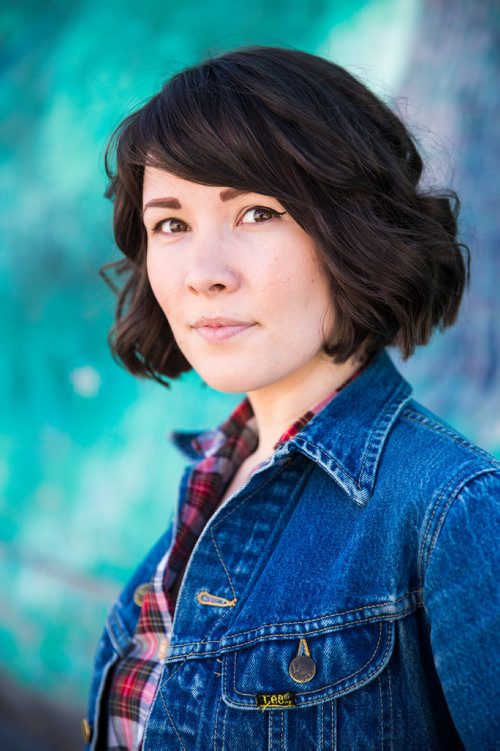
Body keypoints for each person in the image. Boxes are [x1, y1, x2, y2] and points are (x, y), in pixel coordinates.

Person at [84, 45, 499, 750]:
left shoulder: (452, 511)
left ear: (354, 228)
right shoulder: (211, 486)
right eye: (172, 223)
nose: (204, 274)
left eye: (256, 212)